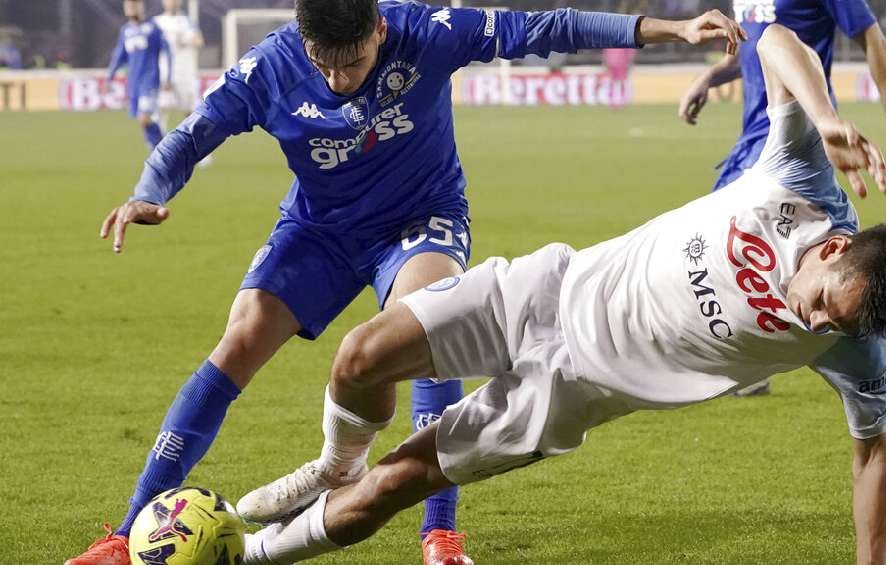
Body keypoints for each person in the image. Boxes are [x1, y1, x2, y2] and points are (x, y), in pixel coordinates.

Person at [65, 2, 744, 564]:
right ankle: (125, 535)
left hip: (421, 220)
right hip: (318, 231)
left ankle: (439, 532)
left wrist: (668, 29)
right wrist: (147, 191)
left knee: (425, 322)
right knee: (237, 340)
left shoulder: (427, 31)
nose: (336, 80)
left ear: (379, 31)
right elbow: (191, 134)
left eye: (352, 62)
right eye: (322, 64)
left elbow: (543, 28)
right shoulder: (271, 65)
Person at [237, 24, 886, 565]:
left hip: (569, 394)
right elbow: (781, 41)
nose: (811, 317)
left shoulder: (855, 345)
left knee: (395, 486)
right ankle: (335, 462)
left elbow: (874, 452)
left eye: (828, 324)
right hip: (548, 290)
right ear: (835, 248)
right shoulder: (803, 182)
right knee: (361, 353)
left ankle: (248, 554)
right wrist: (823, 117)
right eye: (823, 299)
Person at [677, 0, 886, 397]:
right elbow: (756, 44)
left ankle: (765, 358)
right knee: (719, 254)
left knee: (714, 252)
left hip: (794, 132)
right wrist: (711, 77)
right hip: (753, 134)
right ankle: (752, 360)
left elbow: (873, 36)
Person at [106, 0, 171, 151]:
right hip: (133, 82)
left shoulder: (152, 28)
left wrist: (168, 77)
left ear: (141, 7)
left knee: (144, 118)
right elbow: (119, 55)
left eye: (134, 4)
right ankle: (160, 151)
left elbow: (167, 51)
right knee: (142, 120)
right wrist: (110, 77)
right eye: (128, 5)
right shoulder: (126, 31)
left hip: (149, 80)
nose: (131, 8)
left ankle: (168, 147)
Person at [152, 0, 205, 135]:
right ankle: (159, 147)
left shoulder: (187, 21)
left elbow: (199, 41)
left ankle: (201, 151)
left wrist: (184, 41)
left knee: (191, 113)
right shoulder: (156, 22)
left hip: (185, 73)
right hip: (163, 73)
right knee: (160, 110)